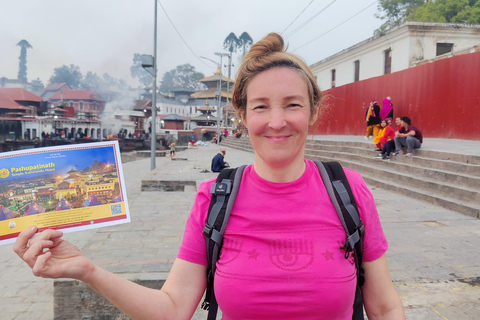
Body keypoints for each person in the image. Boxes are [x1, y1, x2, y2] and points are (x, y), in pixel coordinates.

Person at [13, 33, 405, 320]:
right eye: (261, 106)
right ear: (242, 116)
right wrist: (87, 269)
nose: (277, 122)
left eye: (293, 105)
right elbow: (172, 308)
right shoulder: (215, 197)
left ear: (313, 112)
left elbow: (385, 307)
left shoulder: (349, 192)